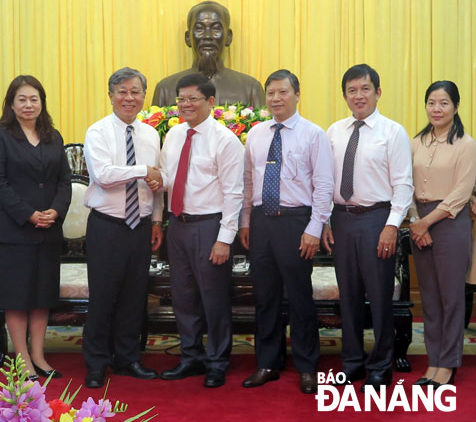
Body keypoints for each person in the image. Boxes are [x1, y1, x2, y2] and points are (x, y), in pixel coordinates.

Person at [239, 70, 334, 394]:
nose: (276, 99)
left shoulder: (313, 134)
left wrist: (314, 227)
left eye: (282, 92)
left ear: (296, 94)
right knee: (264, 296)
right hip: (262, 221)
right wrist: (246, 221)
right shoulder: (256, 133)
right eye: (271, 93)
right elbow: (249, 182)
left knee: (299, 297)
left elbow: (323, 184)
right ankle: (268, 362)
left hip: (297, 222)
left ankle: (307, 365)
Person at [322, 64, 413, 391]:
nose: (358, 95)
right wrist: (326, 221)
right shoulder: (334, 131)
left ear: (377, 92)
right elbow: (325, 182)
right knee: (348, 297)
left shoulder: (393, 132)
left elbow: (403, 185)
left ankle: (381, 365)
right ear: (345, 95)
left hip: (378, 219)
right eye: (352, 90)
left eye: (364, 89)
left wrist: (392, 226)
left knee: (379, 297)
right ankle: (352, 362)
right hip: (342, 220)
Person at [158, 73, 244, 388]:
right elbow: (170, 179)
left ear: (210, 102)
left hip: (210, 226)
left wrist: (224, 240)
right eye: (181, 99)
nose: (186, 104)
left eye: (193, 98)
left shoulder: (226, 141)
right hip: (178, 226)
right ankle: (190, 358)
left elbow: (235, 194)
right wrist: (156, 181)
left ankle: (218, 361)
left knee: (214, 299)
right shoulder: (174, 135)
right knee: (182, 297)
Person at [82, 67, 163, 388]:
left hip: (140, 227)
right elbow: (104, 175)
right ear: (111, 95)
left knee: (134, 297)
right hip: (107, 226)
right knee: (103, 298)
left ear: (144, 96)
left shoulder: (151, 134)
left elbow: (156, 184)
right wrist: (143, 169)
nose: (129, 98)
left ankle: (128, 359)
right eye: (122, 91)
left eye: (136, 92)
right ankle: (96, 363)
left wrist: (156, 220)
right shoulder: (98, 132)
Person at [0, 75, 71, 380]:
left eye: (34, 99)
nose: (28, 104)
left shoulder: (53, 136)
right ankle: (21, 359)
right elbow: (0, 183)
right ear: (11, 103)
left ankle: (39, 356)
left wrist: (55, 211)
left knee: (41, 296)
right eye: (21, 99)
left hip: (48, 230)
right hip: (15, 231)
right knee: (17, 296)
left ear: (42, 102)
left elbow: (64, 181)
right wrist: (29, 214)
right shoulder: (0, 136)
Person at [408, 81, 476, 387]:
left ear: (456, 107)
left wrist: (426, 222)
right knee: (430, 298)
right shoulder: (415, 142)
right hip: (418, 220)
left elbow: (462, 192)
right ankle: (433, 361)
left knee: (451, 297)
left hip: (450, 221)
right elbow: (403, 183)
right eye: (432, 102)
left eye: (444, 103)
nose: (437, 109)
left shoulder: (466, 144)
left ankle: (448, 364)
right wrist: (413, 220)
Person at [152, 1, 264, 107]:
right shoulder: (166, 89)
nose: (207, 36)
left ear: (228, 37)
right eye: (199, 29)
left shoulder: (250, 88)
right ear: (188, 38)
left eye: (216, 29)